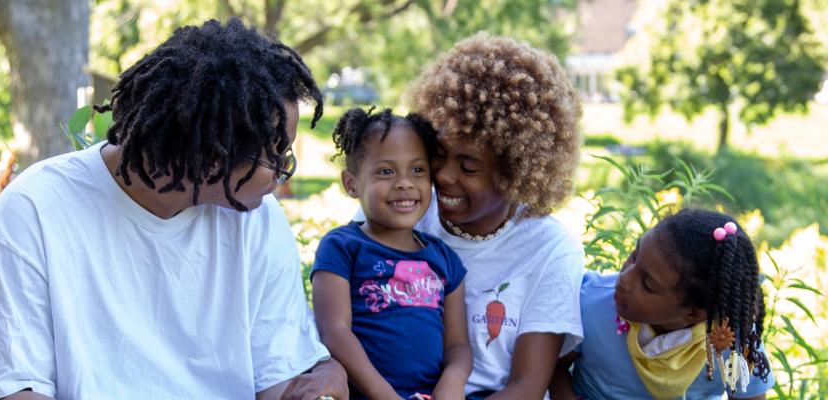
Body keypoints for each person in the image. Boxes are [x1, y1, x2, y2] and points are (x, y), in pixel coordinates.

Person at [0, 19, 347, 400]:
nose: (283, 172)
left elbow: (276, 380)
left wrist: (314, 388)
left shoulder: (259, 220)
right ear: (214, 158)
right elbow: (11, 390)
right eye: (276, 156)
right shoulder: (35, 211)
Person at [404, 33, 586, 399]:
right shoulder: (405, 210)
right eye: (439, 154)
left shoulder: (550, 249)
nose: (442, 175)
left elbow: (527, 386)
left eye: (468, 167)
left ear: (515, 173)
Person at [313, 108, 471, 400]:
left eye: (418, 170)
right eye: (386, 171)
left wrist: (453, 381)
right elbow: (334, 331)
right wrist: (386, 396)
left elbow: (457, 346)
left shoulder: (445, 260)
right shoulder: (343, 247)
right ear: (352, 184)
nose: (405, 183)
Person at [550, 208, 775, 399]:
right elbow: (553, 366)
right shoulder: (592, 302)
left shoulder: (730, 342)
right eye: (634, 256)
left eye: (648, 285)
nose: (625, 279)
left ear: (694, 314)